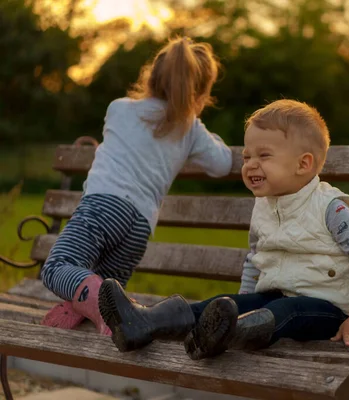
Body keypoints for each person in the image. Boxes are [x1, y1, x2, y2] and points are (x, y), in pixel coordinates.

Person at [99, 99, 349, 358]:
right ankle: (144, 322)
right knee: (222, 302)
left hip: (325, 309)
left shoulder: (330, 208)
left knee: (287, 311)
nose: (250, 165)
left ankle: (226, 335)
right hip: (274, 298)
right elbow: (254, 259)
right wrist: (239, 303)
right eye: (247, 157)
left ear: (303, 164)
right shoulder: (263, 206)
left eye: (264, 156)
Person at [40, 37, 232, 335]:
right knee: (108, 293)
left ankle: (91, 304)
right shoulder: (189, 128)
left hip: (103, 207)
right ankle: (91, 314)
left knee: (57, 268)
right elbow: (222, 164)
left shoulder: (119, 108)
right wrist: (193, 117)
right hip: (138, 228)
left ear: (151, 76)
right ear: (200, 92)